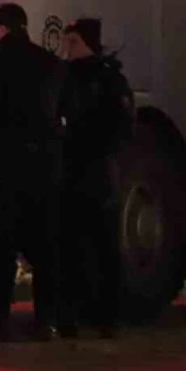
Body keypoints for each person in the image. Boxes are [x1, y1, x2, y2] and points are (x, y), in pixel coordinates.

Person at [0, 3, 65, 341]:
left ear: (2, 29)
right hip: (44, 169)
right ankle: (47, 320)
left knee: (1, 249)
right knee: (45, 249)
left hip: (4, 170)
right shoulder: (51, 64)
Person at [57, 18, 134, 338]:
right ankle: (72, 315)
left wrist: (93, 142)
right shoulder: (64, 77)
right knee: (70, 246)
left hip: (98, 171)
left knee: (104, 245)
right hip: (70, 171)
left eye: (73, 41)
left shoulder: (108, 79)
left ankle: (106, 316)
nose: (67, 47)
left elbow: (122, 125)